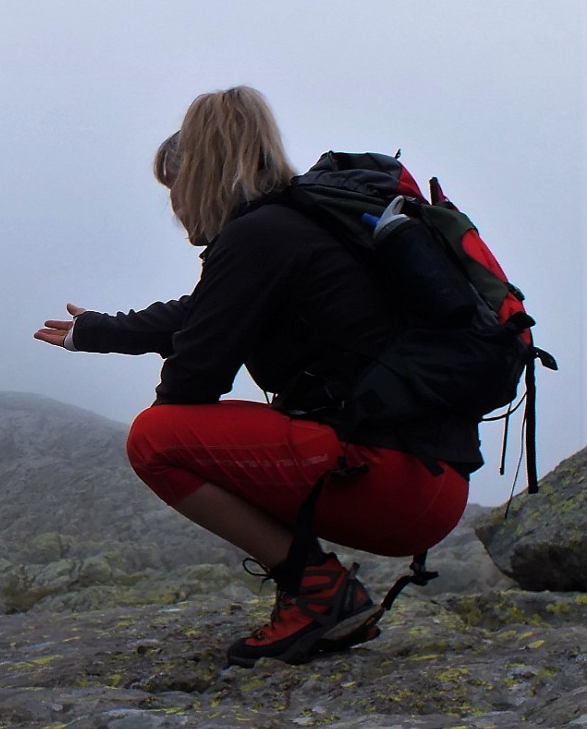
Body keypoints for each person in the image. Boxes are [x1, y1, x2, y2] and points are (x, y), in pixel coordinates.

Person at [34, 86, 473, 667]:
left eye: (175, 190)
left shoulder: (257, 237)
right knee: (175, 430)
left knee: (156, 438)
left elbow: (192, 381)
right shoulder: (293, 226)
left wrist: (184, 386)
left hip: (394, 481)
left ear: (199, 176)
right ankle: (320, 592)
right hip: (431, 477)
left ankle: (319, 593)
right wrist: (97, 332)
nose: (175, 208)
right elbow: (204, 311)